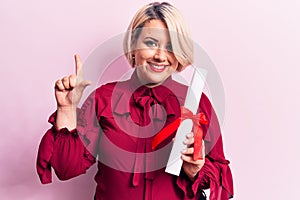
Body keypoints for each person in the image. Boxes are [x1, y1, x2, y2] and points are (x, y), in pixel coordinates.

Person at [36, 2, 233, 200]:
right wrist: (67, 109)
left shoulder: (197, 104)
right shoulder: (103, 99)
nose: (160, 56)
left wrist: (195, 169)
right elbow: (66, 169)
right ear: (133, 45)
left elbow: (218, 175)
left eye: (171, 47)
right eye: (151, 43)